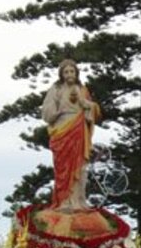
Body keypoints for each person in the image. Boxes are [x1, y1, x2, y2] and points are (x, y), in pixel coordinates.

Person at [40, 58, 101, 210]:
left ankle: (79, 200)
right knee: (63, 167)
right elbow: (47, 111)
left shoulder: (82, 90)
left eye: (71, 71)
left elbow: (93, 109)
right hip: (62, 129)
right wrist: (57, 111)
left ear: (76, 73)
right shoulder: (56, 89)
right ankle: (64, 200)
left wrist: (86, 104)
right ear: (61, 74)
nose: (69, 74)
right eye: (66, 72)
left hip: (79, 130)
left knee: (80, 166)